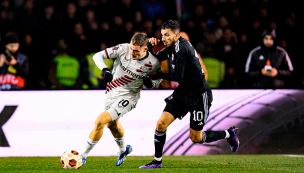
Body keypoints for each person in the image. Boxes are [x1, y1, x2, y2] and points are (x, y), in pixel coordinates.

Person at [139, 20, 240, 169]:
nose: (164, 38)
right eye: (163, 35)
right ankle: (157, 161)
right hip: (183, 91)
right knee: (161, 123)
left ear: (177, 36)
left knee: (196, 137)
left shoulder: (184, 49)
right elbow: (157, 57)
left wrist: (155, 76)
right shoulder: (171, 47)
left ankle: (228, 134)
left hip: (199, 94)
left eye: (167, 35)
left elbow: (178, 76)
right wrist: (149, 48)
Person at [81, 33, 162, 167]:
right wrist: (105, 69)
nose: (132, 52)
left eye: (136, 51)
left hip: (129, 96)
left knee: (100, 121)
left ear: (145, 49)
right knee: (112, 124)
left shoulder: (153, 62)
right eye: (131, 49)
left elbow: (158, 77)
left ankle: (82, 155)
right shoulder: (123, 48)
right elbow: (97, 56)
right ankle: (124, 150)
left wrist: (151, 84)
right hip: (112, 91)